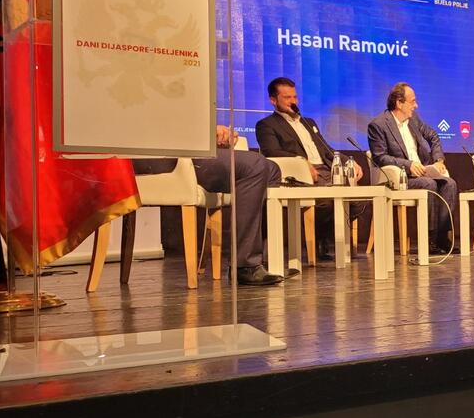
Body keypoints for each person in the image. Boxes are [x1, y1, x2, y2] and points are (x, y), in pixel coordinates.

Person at [132, 125, 283, 286]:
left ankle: (263, 261)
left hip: (189, 150)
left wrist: (214, 136)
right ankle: (245, 265)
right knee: (255, 165)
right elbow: (165, 126)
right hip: (163, 153)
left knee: (272, 169)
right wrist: (207, 132)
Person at [255, 76, 363, 260]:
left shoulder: (309, 123)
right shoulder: (266, 125)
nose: (293, 101)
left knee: (358, 200)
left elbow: (326, 149)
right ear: (273, 100)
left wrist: (349, 161)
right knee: (326, 201)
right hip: (300, 175)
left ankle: (324, 237)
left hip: (327, 170)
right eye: (287, 97)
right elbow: (271, 152)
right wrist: (302, 163)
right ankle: (318, 241)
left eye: (295, 97)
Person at [367, 82, 459, 253]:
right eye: (412, 101)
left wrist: (438, 160)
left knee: (450, 184)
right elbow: (380, 157)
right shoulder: (378, 125)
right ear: (399, 103)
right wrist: (408, 165)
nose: (416, 106)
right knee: (429, 184)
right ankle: (429, 239)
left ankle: (442, 238)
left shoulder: (413, 119)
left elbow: (433, 136)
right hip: (400, 179)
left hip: (423, 172)